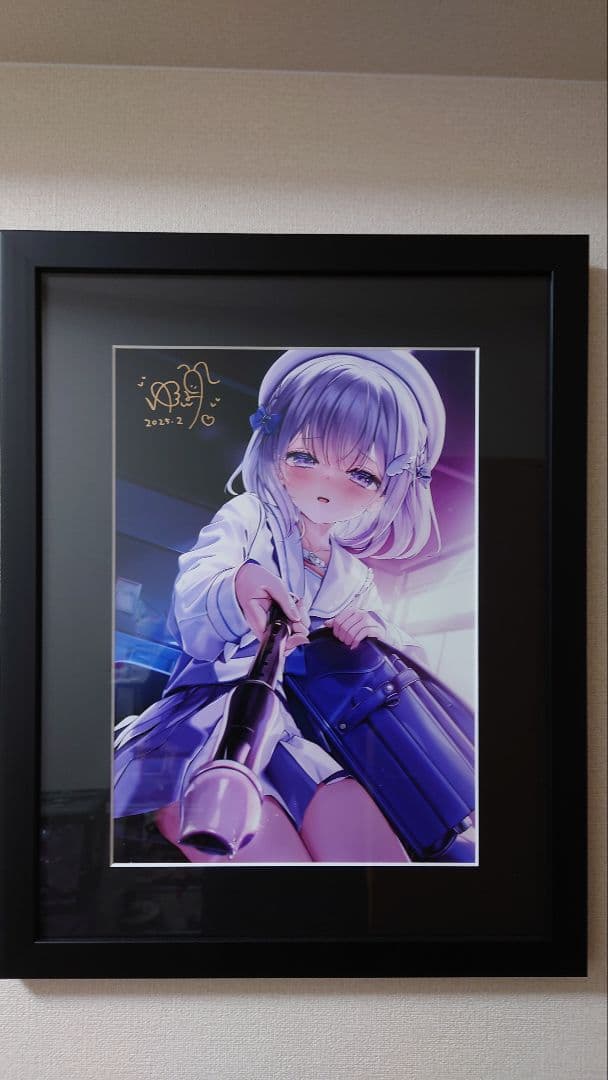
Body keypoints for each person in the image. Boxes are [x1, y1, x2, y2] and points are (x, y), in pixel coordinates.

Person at [114, 347, 446, 863]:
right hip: (217, 718)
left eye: (361, 474)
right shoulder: (248, 517)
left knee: (367, 849)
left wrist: (377, 636)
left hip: (311, 734)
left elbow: (408, 667)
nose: (326, 485)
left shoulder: (354, 577)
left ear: (389, 488)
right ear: (275, 449)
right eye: (305, 457)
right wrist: (236, 585)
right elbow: (198, 587)